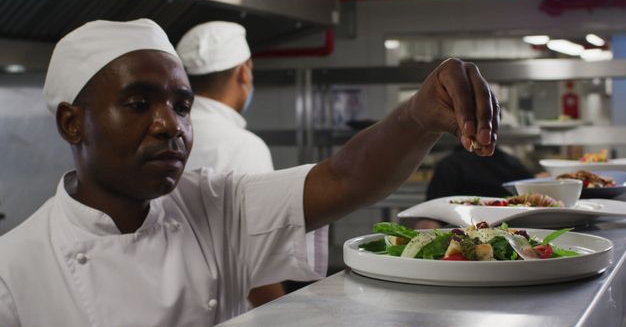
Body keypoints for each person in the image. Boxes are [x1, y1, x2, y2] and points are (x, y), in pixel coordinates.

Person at [0, 19, 498, 326]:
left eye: (182, 105)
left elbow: (346, 178)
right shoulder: (14, 270)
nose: (169, 125)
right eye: (138, 103)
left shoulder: (213, 205)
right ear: (72, 123)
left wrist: (415, 116)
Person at [176, 21, 327, 307]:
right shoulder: (242, 146)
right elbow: (257, 259)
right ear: (243, 72)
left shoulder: (166, 133)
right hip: (225, 309)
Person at [426, 146, 534, 200]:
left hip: (461, 237)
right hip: (510, 235)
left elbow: (431, 219)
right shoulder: (513, 163)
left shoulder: (449, 165)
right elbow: (531, 198)